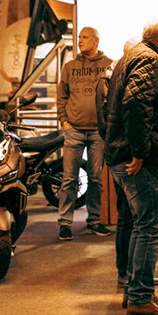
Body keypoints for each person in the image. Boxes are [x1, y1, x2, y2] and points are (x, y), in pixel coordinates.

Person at [105, 16, 158, 315]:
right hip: (142, 161)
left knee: (143, 225)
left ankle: (137, 291)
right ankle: (139, 297)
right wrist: (139, 152)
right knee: (152, 226)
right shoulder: (150, 60)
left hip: (127, 154)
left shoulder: (133, 56)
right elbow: (135, 104)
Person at [56, 26, 113, 241]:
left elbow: (114, 97)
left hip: (98, 132)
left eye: (85, 37)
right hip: (74, 130)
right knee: (69, 179)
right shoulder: (70, 67)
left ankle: (94, 221)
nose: (80, 40)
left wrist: (108, 126)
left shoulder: (109, 65)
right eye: (79, 37)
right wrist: (64, 121)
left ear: (96, 41)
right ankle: (65, 223)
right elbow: (61, 96)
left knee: (96, 179)